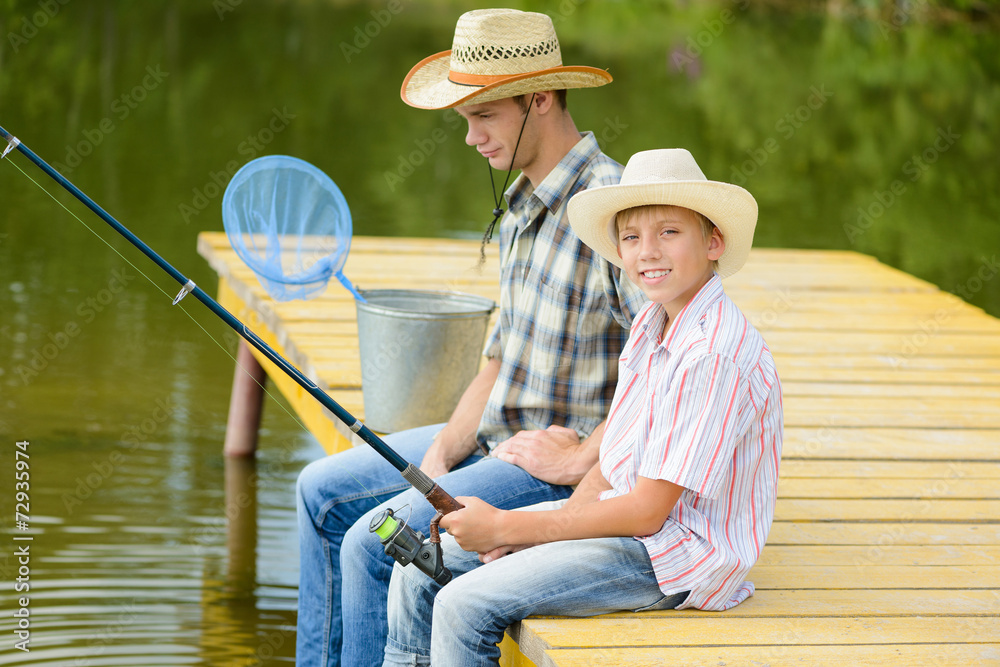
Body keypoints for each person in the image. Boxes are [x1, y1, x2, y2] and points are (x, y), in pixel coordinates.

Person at [295, 9, 647, 666]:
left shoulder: (617, 208)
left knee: (374, 543)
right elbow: (496, 361)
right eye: (464, 118)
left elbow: (658, 366)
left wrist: (578, 461)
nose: (469, 137)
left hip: (548, 471)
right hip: (490, 439)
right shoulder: (521, 206)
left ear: (539, 99)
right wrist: (437, 456)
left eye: (483, 115)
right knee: (318, 490)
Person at [381, 148, 784, 666]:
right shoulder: (653, 322)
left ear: (714, 241)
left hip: (675, 557)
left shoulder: (712, 352)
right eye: (632, 237)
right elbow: (615, 461)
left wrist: (509, 529)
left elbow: (646, 513)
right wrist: (553, 526)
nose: (648, 252)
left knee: (464, 603)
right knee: (417, 567)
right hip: (628, 525)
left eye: (669, 232)